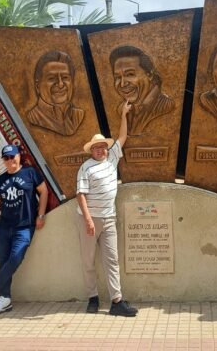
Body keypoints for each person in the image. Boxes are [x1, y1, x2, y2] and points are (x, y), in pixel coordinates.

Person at [76, 99, 138, 317]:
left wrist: (123, 114)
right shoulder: (85, 167)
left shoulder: (112, 158)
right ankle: (93, 298)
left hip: (109, 217)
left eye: (103, 146)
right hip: (90, 219)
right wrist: (89, 220)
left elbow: (122, 137)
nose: (101, 150)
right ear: (91, 151)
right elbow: (80, 195)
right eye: (97, 148)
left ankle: (116, 301)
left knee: (112, 260)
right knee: (88, 260)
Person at [0, 144, 48, 316]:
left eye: (13, 157)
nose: (10, 160)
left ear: (19, 156)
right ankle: (5, 299)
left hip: (24, 226)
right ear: (3, 161)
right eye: (6, 158)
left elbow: (44, 192)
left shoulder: (30, 173)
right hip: (5, 227)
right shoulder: (0, 180)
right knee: (3, 262)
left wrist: (40, 215)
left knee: (16, 258)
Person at [109, 45, 174, 136]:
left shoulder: (166, 106)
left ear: (149, 75)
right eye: (118, 77)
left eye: (130, 74)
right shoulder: (121, 109)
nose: (123, 84)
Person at [27, 50, 85, 136]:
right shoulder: (33, 118)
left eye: (65, 77)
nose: (61, 84)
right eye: (51, 78)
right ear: (37, 86)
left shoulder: (79, 115)